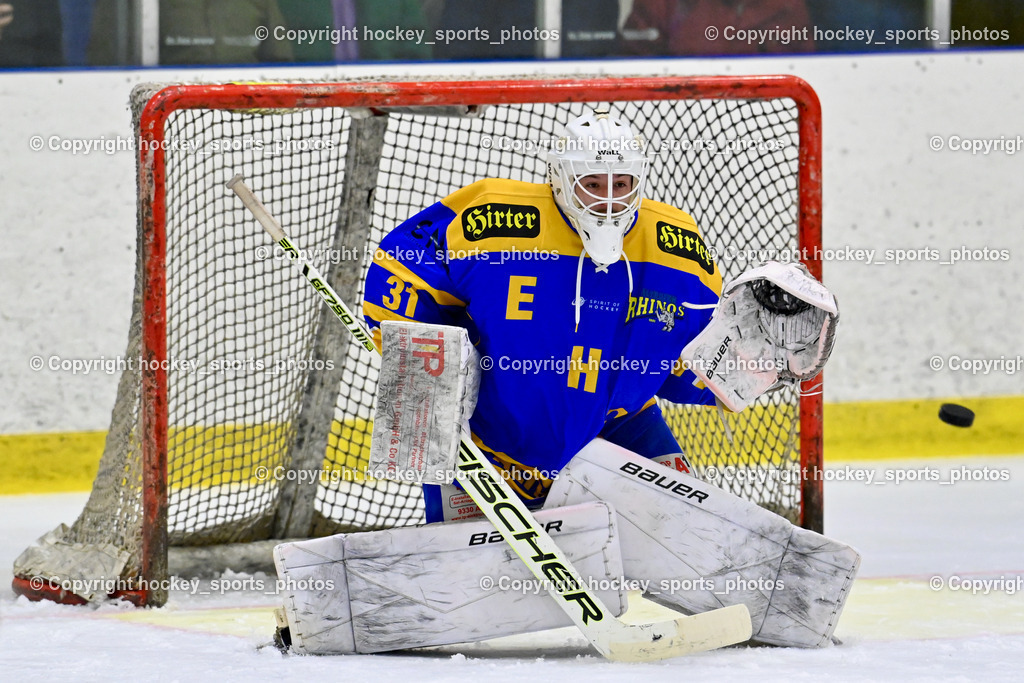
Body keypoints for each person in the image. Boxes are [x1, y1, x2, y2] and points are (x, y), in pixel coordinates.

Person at [363, 109, 723, 521]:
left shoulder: (676, 242)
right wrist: (427, 372)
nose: (608, 199)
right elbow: (402, 263)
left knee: (686, 536)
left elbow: (699, 354)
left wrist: (759, 362)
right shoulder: (494, 217)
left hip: (620, 425)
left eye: (621, 184)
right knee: (470, 576)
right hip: (485, 436)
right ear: (559, 177)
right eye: (592, 183)